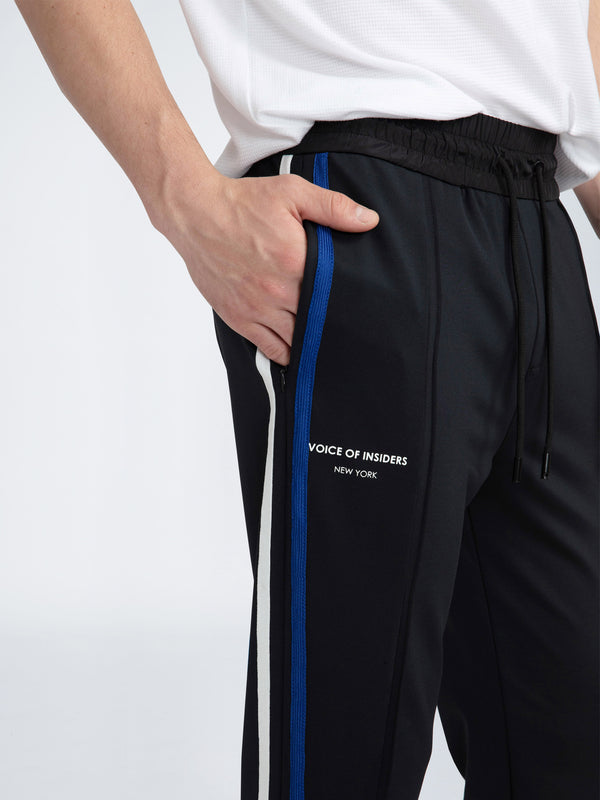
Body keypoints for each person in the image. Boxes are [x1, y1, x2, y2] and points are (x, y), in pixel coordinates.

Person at [14, 1, 600, 798]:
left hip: (543, 227)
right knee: (341, 761)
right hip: (362, 208)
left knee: (572, 750)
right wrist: (184, 198)